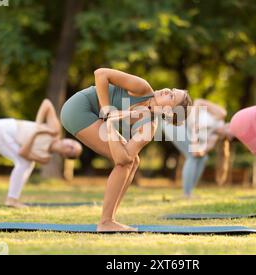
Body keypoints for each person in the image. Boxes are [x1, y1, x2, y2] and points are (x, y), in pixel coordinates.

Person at [60, 68, 192, 231]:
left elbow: (124, 157)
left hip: (96, 119)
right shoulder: (142, 88)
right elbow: (100, 74)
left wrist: (110, 126)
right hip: (79, 108)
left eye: (171, 96)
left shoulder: (149, 127)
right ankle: (106, 221)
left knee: (133, 161)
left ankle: (109, 219)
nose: (166, 90)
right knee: (125, 162)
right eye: (171, 90)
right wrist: (108, 111)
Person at [0, 99, 83, 208]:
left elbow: (22, 152)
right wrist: (38, 125)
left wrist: (37, 132)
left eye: (72, 150)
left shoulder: (45, 158)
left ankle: (12, 199)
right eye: (73, 143)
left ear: (64, 156)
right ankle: (11, 200)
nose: (70, 146)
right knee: (24, 163)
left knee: (26, 163)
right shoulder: (55, 130)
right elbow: (46, 103)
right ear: (68, 139)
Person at [162, 99, 230, 198]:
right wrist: (195, 123)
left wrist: (198, 150)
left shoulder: (214, 138)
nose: (224, 131)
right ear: (228, 125)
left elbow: (202, 152)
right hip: (176, 122)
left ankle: (189, 191)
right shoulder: (221, 115)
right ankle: (187, 193)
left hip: (187, 132)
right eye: (228, 128)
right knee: (192, 157)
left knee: (203, 158)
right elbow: (198, 102)